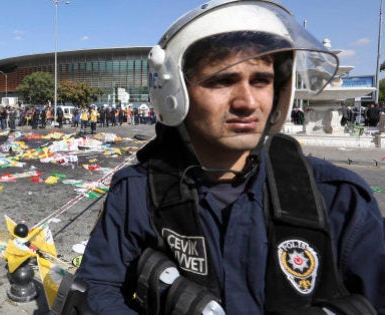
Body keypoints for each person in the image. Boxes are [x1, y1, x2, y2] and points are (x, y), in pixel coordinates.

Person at [74, 1, 385, 314]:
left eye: (261, 80)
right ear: (175, 92)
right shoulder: (138, 193)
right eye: (223, 80)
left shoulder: (336, 198)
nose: (248, 102)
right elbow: (97, 289)